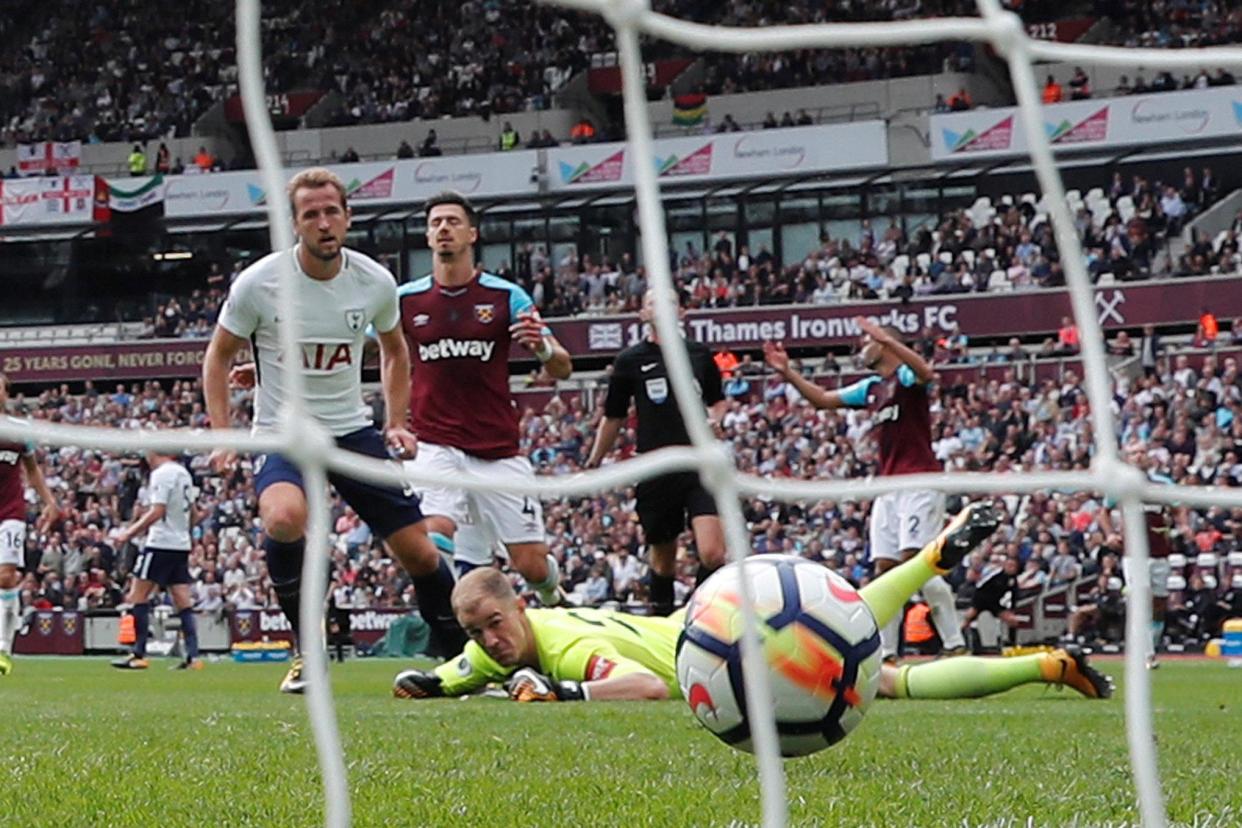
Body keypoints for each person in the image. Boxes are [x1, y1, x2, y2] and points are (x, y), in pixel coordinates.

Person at [392, 505, 1111, 703]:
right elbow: (451, 673)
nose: (490, 641)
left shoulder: (563, 648)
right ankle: (1046, 665)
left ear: (519, 605)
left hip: (712, 646)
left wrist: (563, 691)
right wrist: (427, 681)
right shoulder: (501, 640)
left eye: (494, 625)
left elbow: (639, 686)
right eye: (478, 634)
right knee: (863, 651)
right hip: (703, 617)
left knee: (883, 678)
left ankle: (940, 566)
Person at [202, 167, 464, 693]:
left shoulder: (374, 282)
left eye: (332, 212)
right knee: (282, 518)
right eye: (310, 214)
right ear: (293, 224)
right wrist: (223, 433)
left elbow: (394, 350)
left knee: (420, 553)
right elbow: (218, 357)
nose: (324, 223)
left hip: (350, 430)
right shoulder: (259, 284)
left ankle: (460, 656)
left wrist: (395, 422)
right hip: (283, 432)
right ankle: (306, 651)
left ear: (347, 217)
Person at [397, 191, 572, 607]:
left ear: (472, 234)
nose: (444, 228)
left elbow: (563, 365)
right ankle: (448, 640)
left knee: (530, 565)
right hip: (435, 444)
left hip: (496, 448)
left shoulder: (505, 296)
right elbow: (354, 345)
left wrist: (543, 350)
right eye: (436, 222)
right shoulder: (405, 300)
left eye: (453, 221)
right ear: (427, 236)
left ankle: (553, 596)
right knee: (434, 540)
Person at [764, 318, 968, 662]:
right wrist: (788, 373)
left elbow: (926, 372)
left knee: (917, 565)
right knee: (886, 570)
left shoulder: (904, 378)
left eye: (867, 342)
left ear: (884, 344)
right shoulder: (872, 387)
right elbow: (824, 400)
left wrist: (888, 339)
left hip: (919, 481)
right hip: (887, 486)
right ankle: (887, 653)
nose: (862, 348)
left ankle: (954, 643)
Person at [585, 288, 727, 615]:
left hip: (699, 463)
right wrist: (594, 460)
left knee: (713, 553)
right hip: (655, 466)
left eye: (669, 301)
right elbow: (615, 416)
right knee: (663, 561)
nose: (661, 307)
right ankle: (662, 624)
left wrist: (716, 419)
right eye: (652, 302)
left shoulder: (698, 354)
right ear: (643, 313)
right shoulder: (630, 360)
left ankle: (695, 616)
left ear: (682, 313)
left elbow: (717, 400)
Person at [111, 450, 202, 670]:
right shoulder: (184, 473)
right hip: (180, 544)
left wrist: (128, 533)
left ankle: (138, 653)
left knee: (137, 596)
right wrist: (184, 535)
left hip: (160, 543)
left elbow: (158, 511)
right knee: (182, 600)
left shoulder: (162, 474)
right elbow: (194, 513)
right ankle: (193, 656)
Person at [0, 374, 62, 676]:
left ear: (5, 393)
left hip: (10, 511)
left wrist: (49, 501)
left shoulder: (19, 430)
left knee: (5, 575)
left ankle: (3, 648)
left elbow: (32, 471)